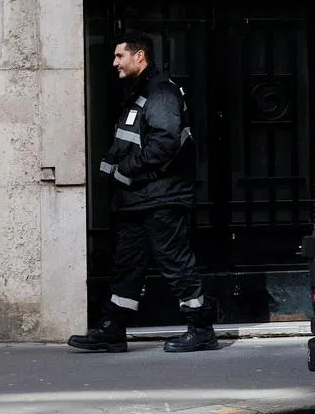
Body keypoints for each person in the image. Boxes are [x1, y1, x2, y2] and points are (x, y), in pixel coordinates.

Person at [67, 31, 220, 354]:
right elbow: (131, 139)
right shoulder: (140, 92)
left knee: (174, 262)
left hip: (161, 197)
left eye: (119, 56)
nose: (114, 63)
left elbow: (164, 142)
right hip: (138, 199)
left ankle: (201, 328)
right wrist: (110, 165)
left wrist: (124, 169)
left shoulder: (161, 93)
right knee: (127, 264)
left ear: (140, 57)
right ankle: (113, 329)